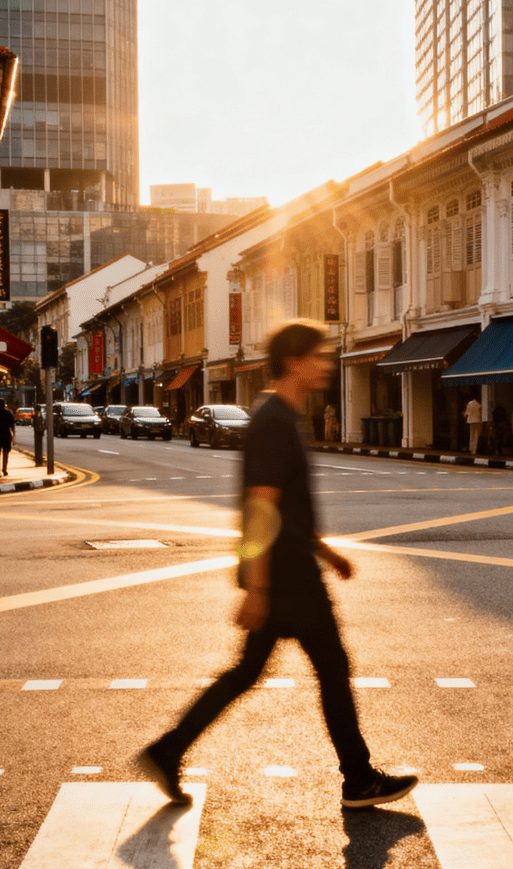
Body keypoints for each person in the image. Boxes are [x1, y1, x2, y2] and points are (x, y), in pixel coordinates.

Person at [140, 321, 417, 811]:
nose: (327, 366)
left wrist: (326, 552)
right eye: (319, 357)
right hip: (287, 581)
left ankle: (169, 749)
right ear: (294, 363)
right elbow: (260, 507)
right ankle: (358, 779)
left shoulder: (282, 417)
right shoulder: (273, 422)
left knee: (249, 673)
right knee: (331, 670)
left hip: (290, 572)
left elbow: (285, 509)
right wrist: (258, 589)